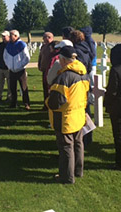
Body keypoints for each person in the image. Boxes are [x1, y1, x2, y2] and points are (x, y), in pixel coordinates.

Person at [46, 46, 90, 184]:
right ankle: (78, 170)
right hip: (78, 114)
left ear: (64, 60)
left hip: (64, 117)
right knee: (78, 143)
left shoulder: (64, 77)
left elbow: (56, 101)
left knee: (66, 147)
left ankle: (66, 177)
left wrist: (47, 101)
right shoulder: (84, 73)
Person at [3, 29, 31, 110]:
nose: (10, 37)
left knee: (24, 88)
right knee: (12, 88)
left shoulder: (22, 45)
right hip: (12, 70)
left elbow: (26, 58)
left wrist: (20, 66)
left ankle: (26, 103)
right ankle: (13, 103)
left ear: (16, 36)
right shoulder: (8, 45)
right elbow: (5, 57)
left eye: (11, 35)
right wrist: (9, 66)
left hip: (20, 70)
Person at [38, 32, 54, 109]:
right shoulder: (43, 47)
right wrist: (39, 65)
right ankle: (45, 104)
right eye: (45, 37)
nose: (46, 39)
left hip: (51, 70)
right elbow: (40, 56)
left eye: (49, 37)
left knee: (50, 89)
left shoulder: (54, 47)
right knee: (45, 88)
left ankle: (51, 104)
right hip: (44, 70)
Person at [0, 30, 12, 102]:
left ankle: (9, 97)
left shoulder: (11, 45)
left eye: (4, 36)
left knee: (9, 84)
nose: (3, 38)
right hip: (0, 67)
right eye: (2, 36)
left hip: (8, 68)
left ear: (8, 36)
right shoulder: (1, 45)